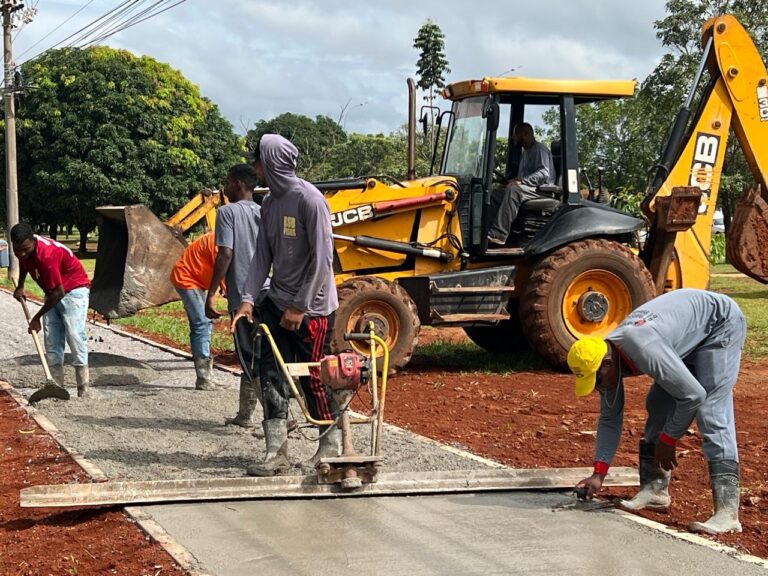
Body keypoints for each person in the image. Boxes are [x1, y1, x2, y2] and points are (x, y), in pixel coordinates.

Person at [567, 288, 746, 535]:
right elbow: (609, 418)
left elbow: (693, 396)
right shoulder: (604, 356)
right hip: (684, 332)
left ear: (607, 364)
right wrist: (598, 474)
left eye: (596, 380)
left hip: (719, 324)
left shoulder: (640, 346)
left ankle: (727, 514)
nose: (598, 387)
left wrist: (669, 438)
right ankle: (655, 491)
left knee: (711, 409)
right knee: (658, 404)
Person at [233, 133, 339, 477]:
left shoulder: (310, 200)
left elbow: (323, 260)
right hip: (278, 302)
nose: (256, 168)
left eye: (259, 160)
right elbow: (262, 254)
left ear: (272, 162)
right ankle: (275, 452)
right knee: (271, 374)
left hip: (313, 309)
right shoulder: (271, 204)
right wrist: (248, 299)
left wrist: (300, 306)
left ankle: (330, 448)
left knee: (314, 377)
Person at [205, 164, 265, 428]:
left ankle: (278, 418)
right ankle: (245, 415)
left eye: (227, 182)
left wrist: (211, 293)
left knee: (250, 356)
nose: (224, 188)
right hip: (266, 292)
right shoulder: (264, 213)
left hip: (242, 297)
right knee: (257, 355)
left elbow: (225, 253)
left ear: (239, 184)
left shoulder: (226, 213)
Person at [10, 222, 91, 398]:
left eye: (26, 249)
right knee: (52, 339)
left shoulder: (47, 255)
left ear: (33, 240)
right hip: (53, 291)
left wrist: (36, 317)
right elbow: (24, 263)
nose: (22, 254)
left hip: (74, 290)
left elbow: (59, 293)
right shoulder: (24, 249)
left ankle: (83, 388)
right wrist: (21, 285)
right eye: (18, 250)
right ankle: (56, 386)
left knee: (74, 335)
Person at [170, 231, 228, 391]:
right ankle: (203, 378)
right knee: (201, 323)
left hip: (197, 279)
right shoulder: (221, 241)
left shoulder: (224, 236)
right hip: (187, 278)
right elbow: (223, 264)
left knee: (206, 323)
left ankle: (207, 375)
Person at [487, 122, 556, 245]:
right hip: (529, 188)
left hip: (542, 190)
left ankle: (499, 234)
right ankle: (488, 230)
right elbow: (522, 177)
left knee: (514, 190)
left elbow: (543, 173)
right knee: (495, 192)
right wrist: (509, 182)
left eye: (515, 135)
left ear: (525, 134)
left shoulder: (540, 149)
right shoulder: (525, 153)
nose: (514, 138)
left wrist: (522, 181)